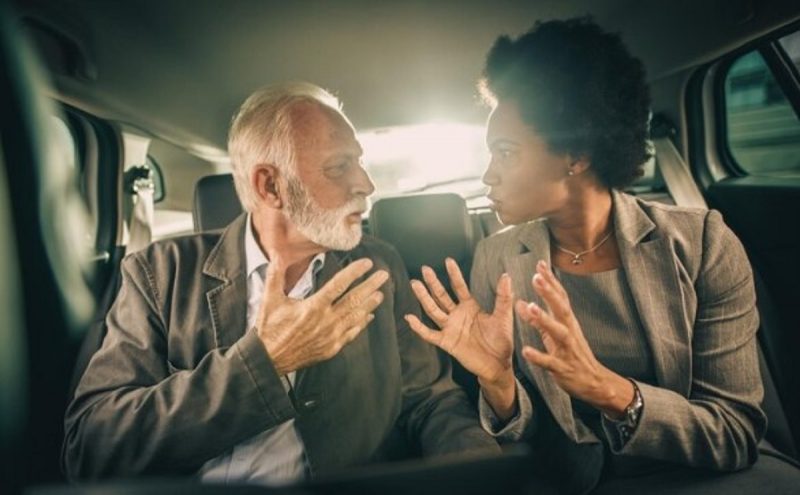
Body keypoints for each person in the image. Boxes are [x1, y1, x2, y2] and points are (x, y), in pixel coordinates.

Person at [406, 17, 800, 494]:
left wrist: (608, 390)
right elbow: (527, 440)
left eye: (506, 152)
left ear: (576, 154)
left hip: (710, 474)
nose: (488, 175)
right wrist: (498, 381)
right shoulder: (496, 257)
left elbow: (735, 434)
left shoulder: (703, 244)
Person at [63, 82, 498, 484]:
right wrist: (263, 363)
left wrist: (485, 475)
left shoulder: (377, 264)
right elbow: (92, 448)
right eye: (339, 166)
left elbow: (430, 401)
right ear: (271, 186)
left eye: (360, 161)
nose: (366, 184)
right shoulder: (160, 273)